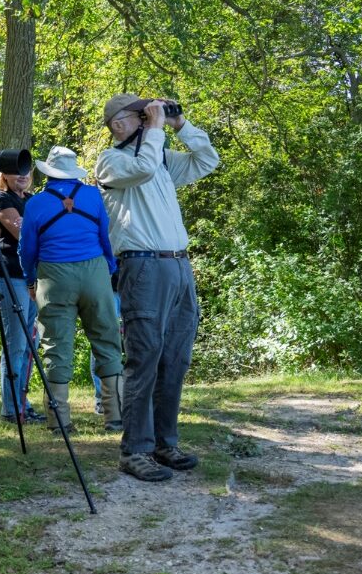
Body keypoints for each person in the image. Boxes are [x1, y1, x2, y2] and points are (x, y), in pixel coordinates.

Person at [95, 94, 219, 482]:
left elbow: (207, 161)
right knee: (144, 359)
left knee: (175, 360)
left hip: (178, 264)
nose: (153, 118)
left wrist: (181, 125)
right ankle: (135, 449)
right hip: (143, 267)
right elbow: (144, 169)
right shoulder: (111, 161)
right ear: (118, 124)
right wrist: (154, 131)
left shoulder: (161, 156)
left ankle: (165, 442)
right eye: (141, 113)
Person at [18, 146, 125, 433]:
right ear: (74, 170)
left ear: (47, 172)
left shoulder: (35, 204)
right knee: (107, 339)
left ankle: (60, 422)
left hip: (53, 276)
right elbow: (105, 236)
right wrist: (109, 270)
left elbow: (27, 249)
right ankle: (115, 417)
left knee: (56, 346)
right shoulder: (92, 195)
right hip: (95, 271)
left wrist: (31, 280)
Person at [0, 170, 44, 425]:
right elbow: (25, 235)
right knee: (15, 343)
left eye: (25, 171)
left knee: (28, 344)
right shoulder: (1, 199)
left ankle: (23, 404)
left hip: (31, 277)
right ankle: (12, 408)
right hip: (10, 276)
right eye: (14, 171)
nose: (21, 175)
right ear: (4, 176)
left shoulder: (32, 199)